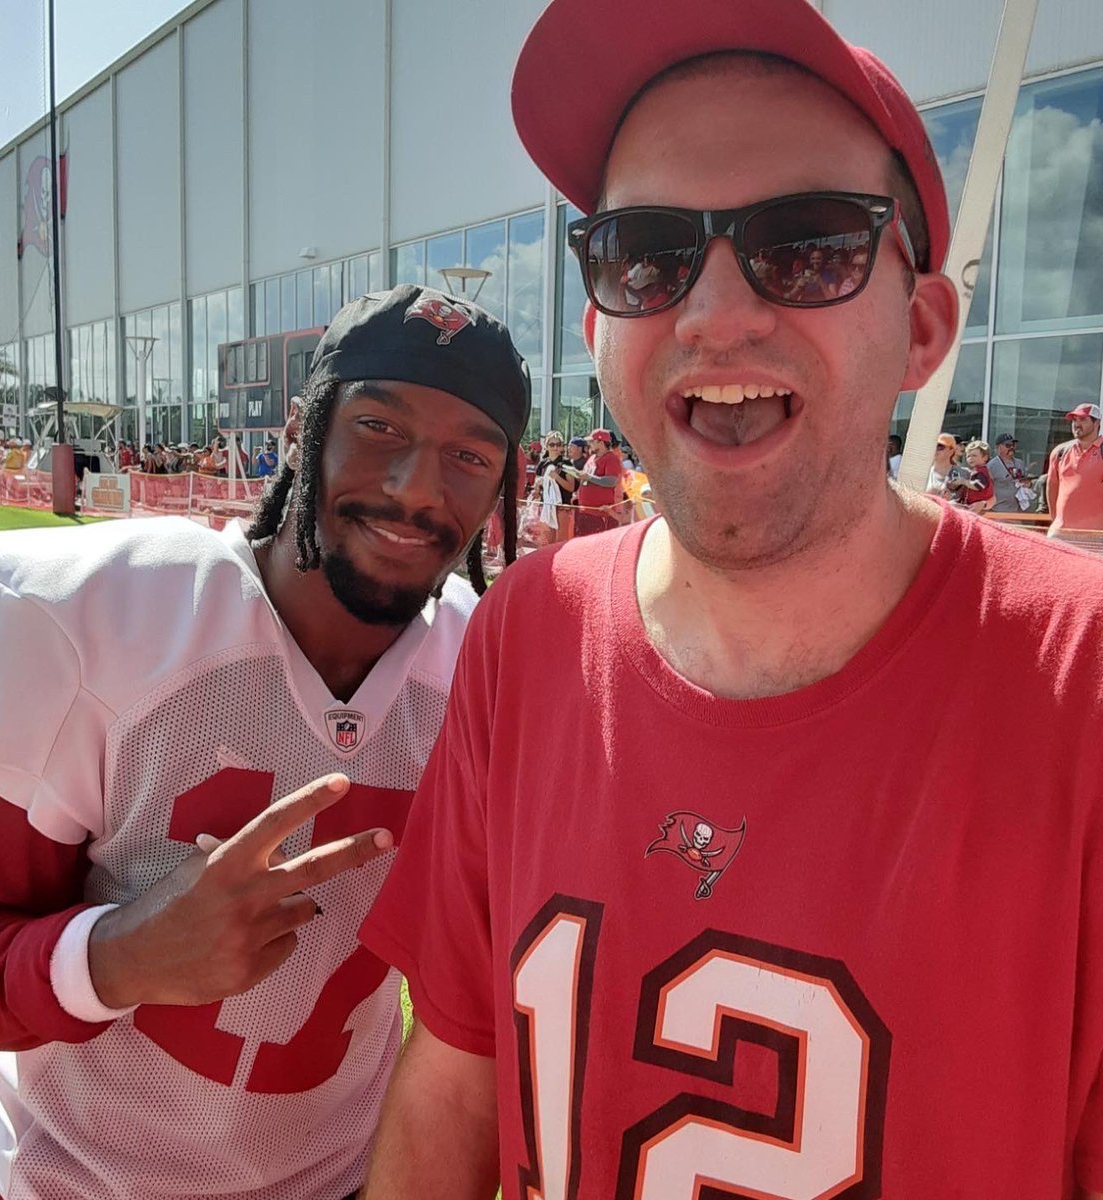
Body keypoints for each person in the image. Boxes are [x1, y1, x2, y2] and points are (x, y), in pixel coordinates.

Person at [359, 4, 1103, 1198]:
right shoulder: (528, 631)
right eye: (645, 253)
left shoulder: (1079, 681)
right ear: (599, 321)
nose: (712, 313)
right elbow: (457, 1071)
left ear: (923, 328)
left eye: (808, 244)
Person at [0, 284, 528, 1200]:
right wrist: (119, 956)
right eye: (380, 428)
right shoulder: (110, 616)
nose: (415, 489)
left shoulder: (487, 665)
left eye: (469, 454)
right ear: (304, 430)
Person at [1047, 402, 1103, 538]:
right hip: (1061, 533)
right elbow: (1052, 488)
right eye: (1074, 420)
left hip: (1096, 536)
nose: (1076, 424)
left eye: (1083, 419)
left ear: (1097, 423)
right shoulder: (1060, 452)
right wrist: (1056, 522)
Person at [570, 427, 624, 534]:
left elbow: (611, 481)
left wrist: (589, 477)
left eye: (592, 441)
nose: (589, 444)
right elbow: (588, 478)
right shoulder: (592, 458)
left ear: (600, 442)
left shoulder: (611, 458)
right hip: (585, 511)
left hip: (600, 513)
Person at [986, 432, 1035, 514]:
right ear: (998, 447)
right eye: (1008, 445)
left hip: (1018, 510)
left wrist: (1028, 484)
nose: (1011, 447)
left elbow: (1026, 483)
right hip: (998, 511)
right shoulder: (991, 466)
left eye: (1013, 445)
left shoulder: (1020, 463)